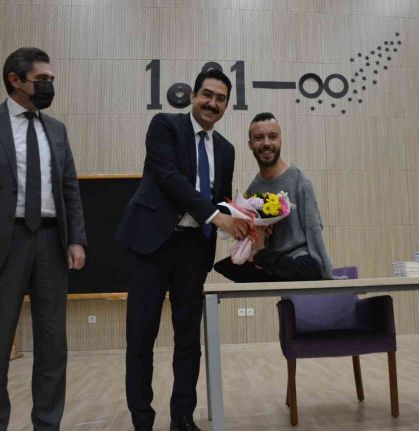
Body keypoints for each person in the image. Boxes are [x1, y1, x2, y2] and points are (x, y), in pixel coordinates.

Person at [0, 47, 87, 430]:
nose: (49, 86)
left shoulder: (56, 130)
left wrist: (76, 239)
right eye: (41, 79)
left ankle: (47, 424)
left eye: (51, 79)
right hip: (2, 245)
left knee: (53, 346)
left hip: (51, 244)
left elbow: (70, 189)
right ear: (15, 80)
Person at [115, 69, 249, 431]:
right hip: (152, 245)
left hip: (194, 250)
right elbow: (170, 179)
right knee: (141, 336)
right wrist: (216, 218)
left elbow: (219, 198)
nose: (212, 103)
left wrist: (243, 219)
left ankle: (183, 417)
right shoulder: (165, 126)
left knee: (188, 339)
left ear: (226, 105)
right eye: (207, 95)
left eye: (220, 98)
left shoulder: (226, 149)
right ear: (192, 96)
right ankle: (142, 420)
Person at [214, 112, 333, 282]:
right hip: (267, 261)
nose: (266, 143)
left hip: (297, 260)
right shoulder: (253, 190)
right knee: (223, 267)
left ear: (280, 141)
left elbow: (314, 230)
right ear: (250, 144)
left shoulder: (299, 181)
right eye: (259, 138)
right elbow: (250, 237)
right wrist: (248, 231)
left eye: (272, 136)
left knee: (310, 268)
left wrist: (327, 274)